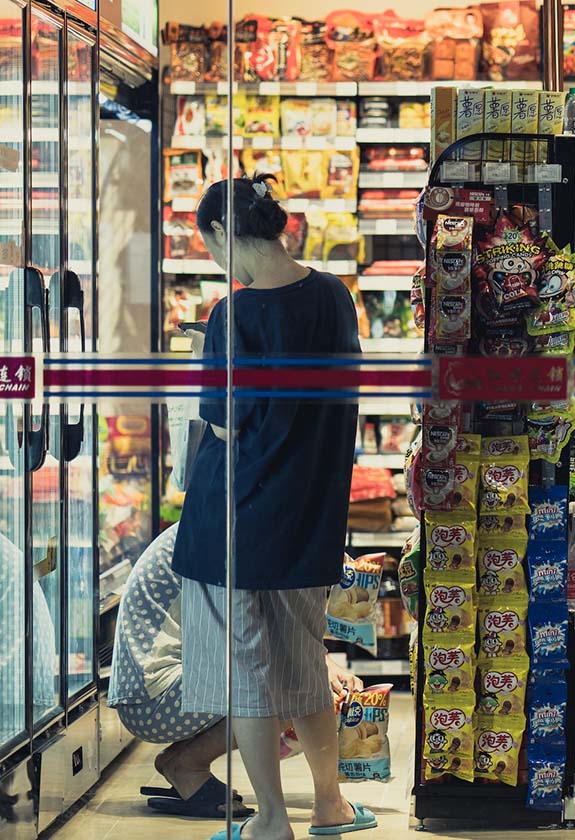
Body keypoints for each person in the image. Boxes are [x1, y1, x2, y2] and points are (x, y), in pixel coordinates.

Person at [172, 173, 367, 840]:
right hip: (308, 517)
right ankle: (330, 802)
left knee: (245, 673)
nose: (215, 261)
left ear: (226, 233)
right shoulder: (335, 297)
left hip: (233, 520)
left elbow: (222, 426)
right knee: (303, 659)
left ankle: (270, 819)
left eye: (209, 246)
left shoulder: (234, 315)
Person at [106, 524, 365, 818]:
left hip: (151, 689)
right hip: (152, 700)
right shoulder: (240, 533)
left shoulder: (234, 517)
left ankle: (184, 762)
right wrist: (318, 664)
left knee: (295, 677)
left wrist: (322, 660)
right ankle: (187, 765)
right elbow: (257, 633)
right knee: (290, 683)